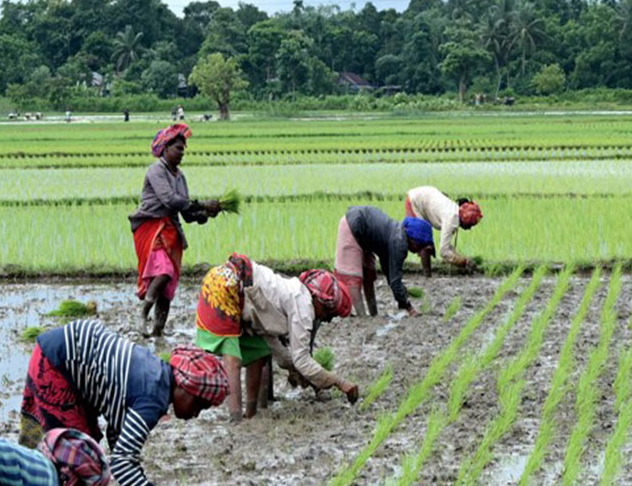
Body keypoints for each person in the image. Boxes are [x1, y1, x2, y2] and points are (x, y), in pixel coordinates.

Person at [19, 319, 229, 486]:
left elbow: (118, 436)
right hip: (57, 366)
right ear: (185, 387)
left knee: (84, 451)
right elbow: (121, 462)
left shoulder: (156, 373)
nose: (197, 413)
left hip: (71, 359)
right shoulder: (152, 399)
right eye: (199, 404)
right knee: (78, 462)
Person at [197, 254, 358, 419]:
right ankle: (235, 419)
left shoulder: (293, 292)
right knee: (232, 358)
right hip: (223, 287)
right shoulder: (303, 308)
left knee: (259, 353)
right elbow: (302, 361)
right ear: (320, 302)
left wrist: (316, 383)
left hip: (233, 285)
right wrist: (340, 382)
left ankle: (251, 414)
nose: (326, 320)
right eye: (328, 315)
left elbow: (283, 357)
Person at [129, 124, 223, 336]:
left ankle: (157, 333)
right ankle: (143, 313)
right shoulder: (156, 171)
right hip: (152, 227)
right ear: (165, 148)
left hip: (172, 231)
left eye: (183, 149)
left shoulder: (180, 177)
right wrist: (201, 204)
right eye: (178, 148)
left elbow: (188, 215)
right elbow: (170, 200)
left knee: (168, 288)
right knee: (163, 272)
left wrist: (207, 214)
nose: (182, 153)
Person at [334, 205, 432, 317]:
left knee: (368, 275)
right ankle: (362, 317)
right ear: (415, 241)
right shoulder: (399, 244)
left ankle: (373, 315)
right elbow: (395, 280)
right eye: (420, 249)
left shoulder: (397, 235)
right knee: (353, 278)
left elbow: (389, 271)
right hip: (353, 226)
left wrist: (401, 292)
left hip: (365, 234)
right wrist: (408, 307)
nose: (419, 254)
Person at [404, 186, 483, 276]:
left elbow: (447, 245)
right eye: (470, 225)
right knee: (422, 241)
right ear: (466, 220)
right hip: (415, 201)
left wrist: (461, 258)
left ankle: (427, 274)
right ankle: (426, 276)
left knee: (424, 239)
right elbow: (444, 251)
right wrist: (464, 262)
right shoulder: (451, 220)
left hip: (424, 196)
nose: (469, 228)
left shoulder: (456, 211)